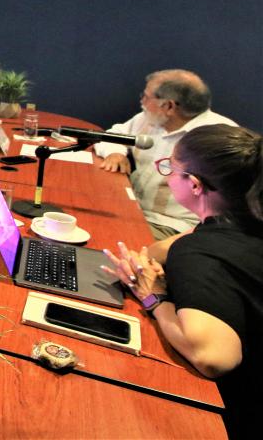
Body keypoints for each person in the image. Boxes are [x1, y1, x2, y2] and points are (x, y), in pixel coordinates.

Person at [102, 124, 262, 439]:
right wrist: (147, 259)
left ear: (195, 184)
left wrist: (153, 297)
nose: (165, 176)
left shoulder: (202, 256)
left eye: (171, 169)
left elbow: (215, 357)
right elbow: (161, 248)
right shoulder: (245, 222)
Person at [95, 69, 236, 242]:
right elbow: (112, 135)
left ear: (168, 106)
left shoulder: (216, 138)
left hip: (172, 226)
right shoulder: (152, 118)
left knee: (100, 239)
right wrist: (115, 153)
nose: (142, 101)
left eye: (146, 97)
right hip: (130, 207)